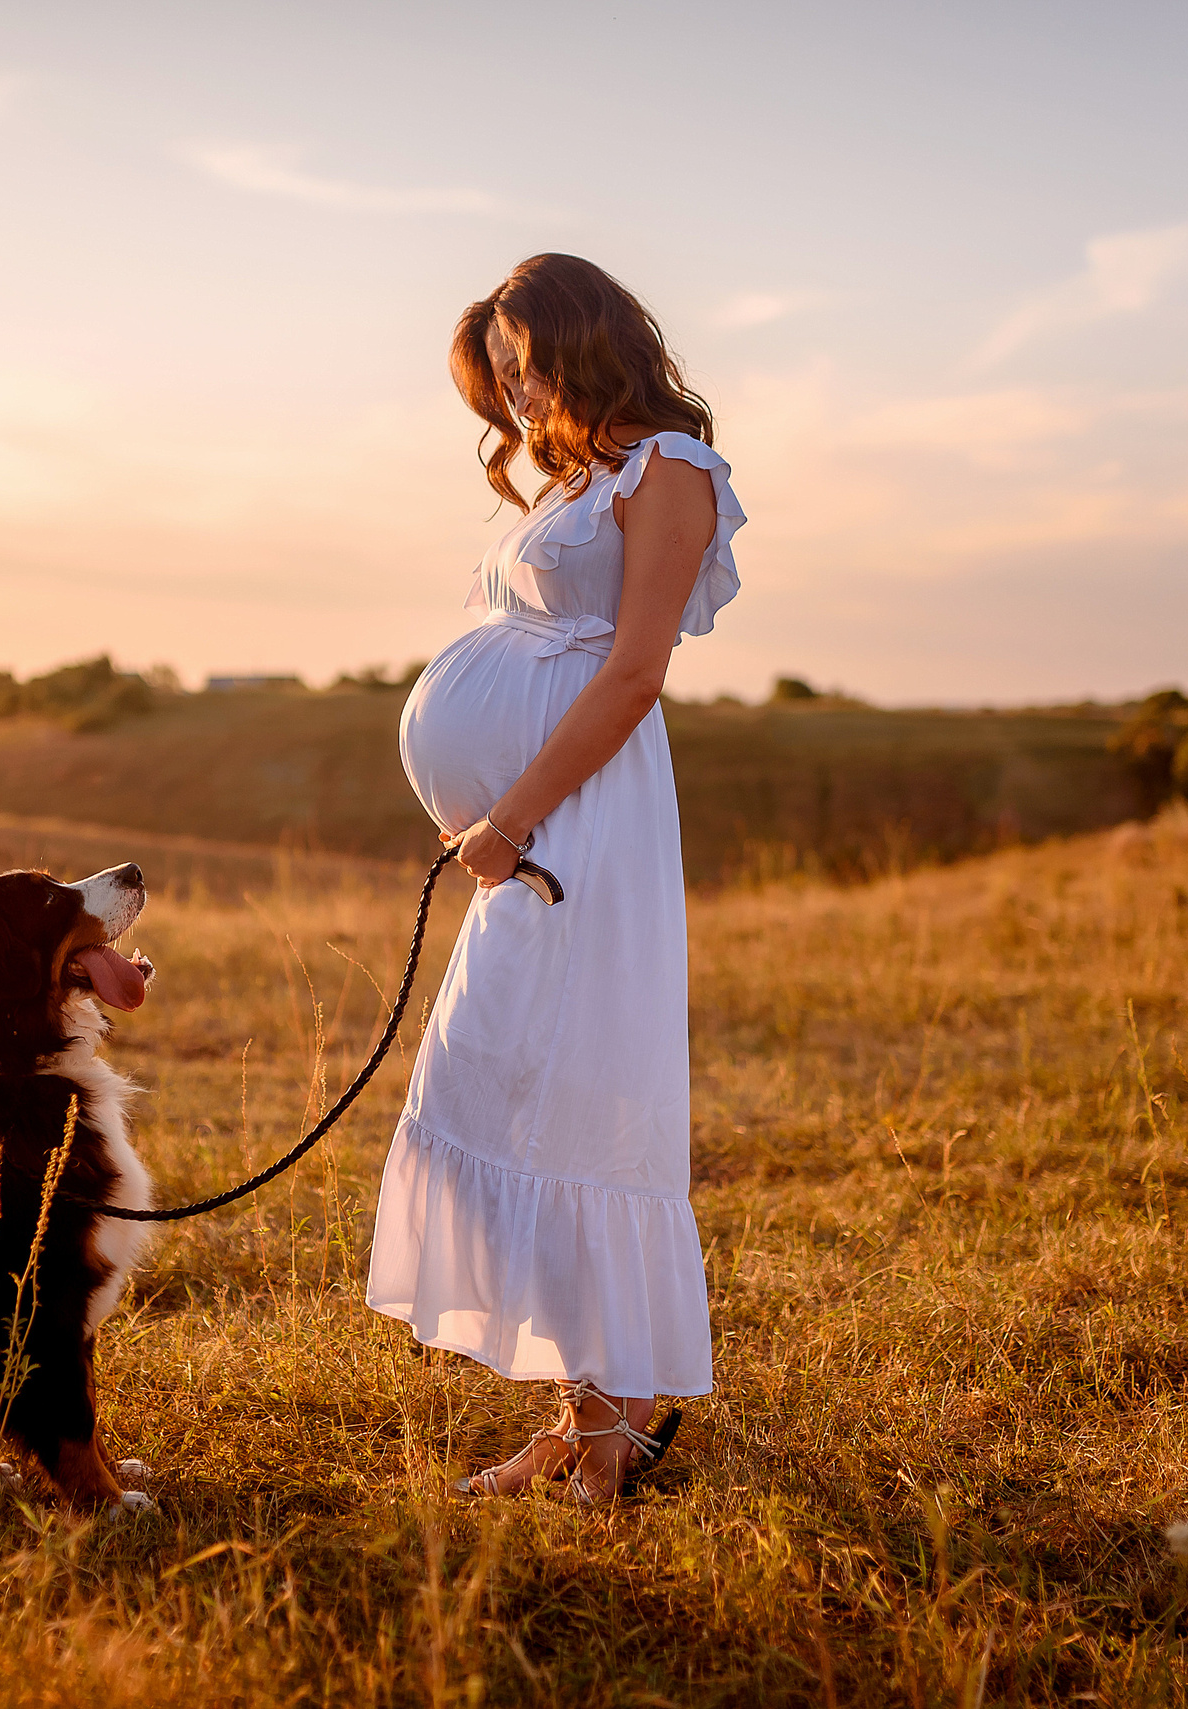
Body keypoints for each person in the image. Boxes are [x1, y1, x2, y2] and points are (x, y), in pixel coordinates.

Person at [366, 253, 745, 1503]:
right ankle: (575, 1412)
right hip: (530, 830)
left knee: (581, 1081)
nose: (521, 404)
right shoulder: (579, 482)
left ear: (588, 344)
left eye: (529, 371)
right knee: (510, 1074)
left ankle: (617, 1420)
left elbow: (634, 674)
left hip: (581, 821)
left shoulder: (669, 474)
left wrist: (514, 811)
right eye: (506, 384)